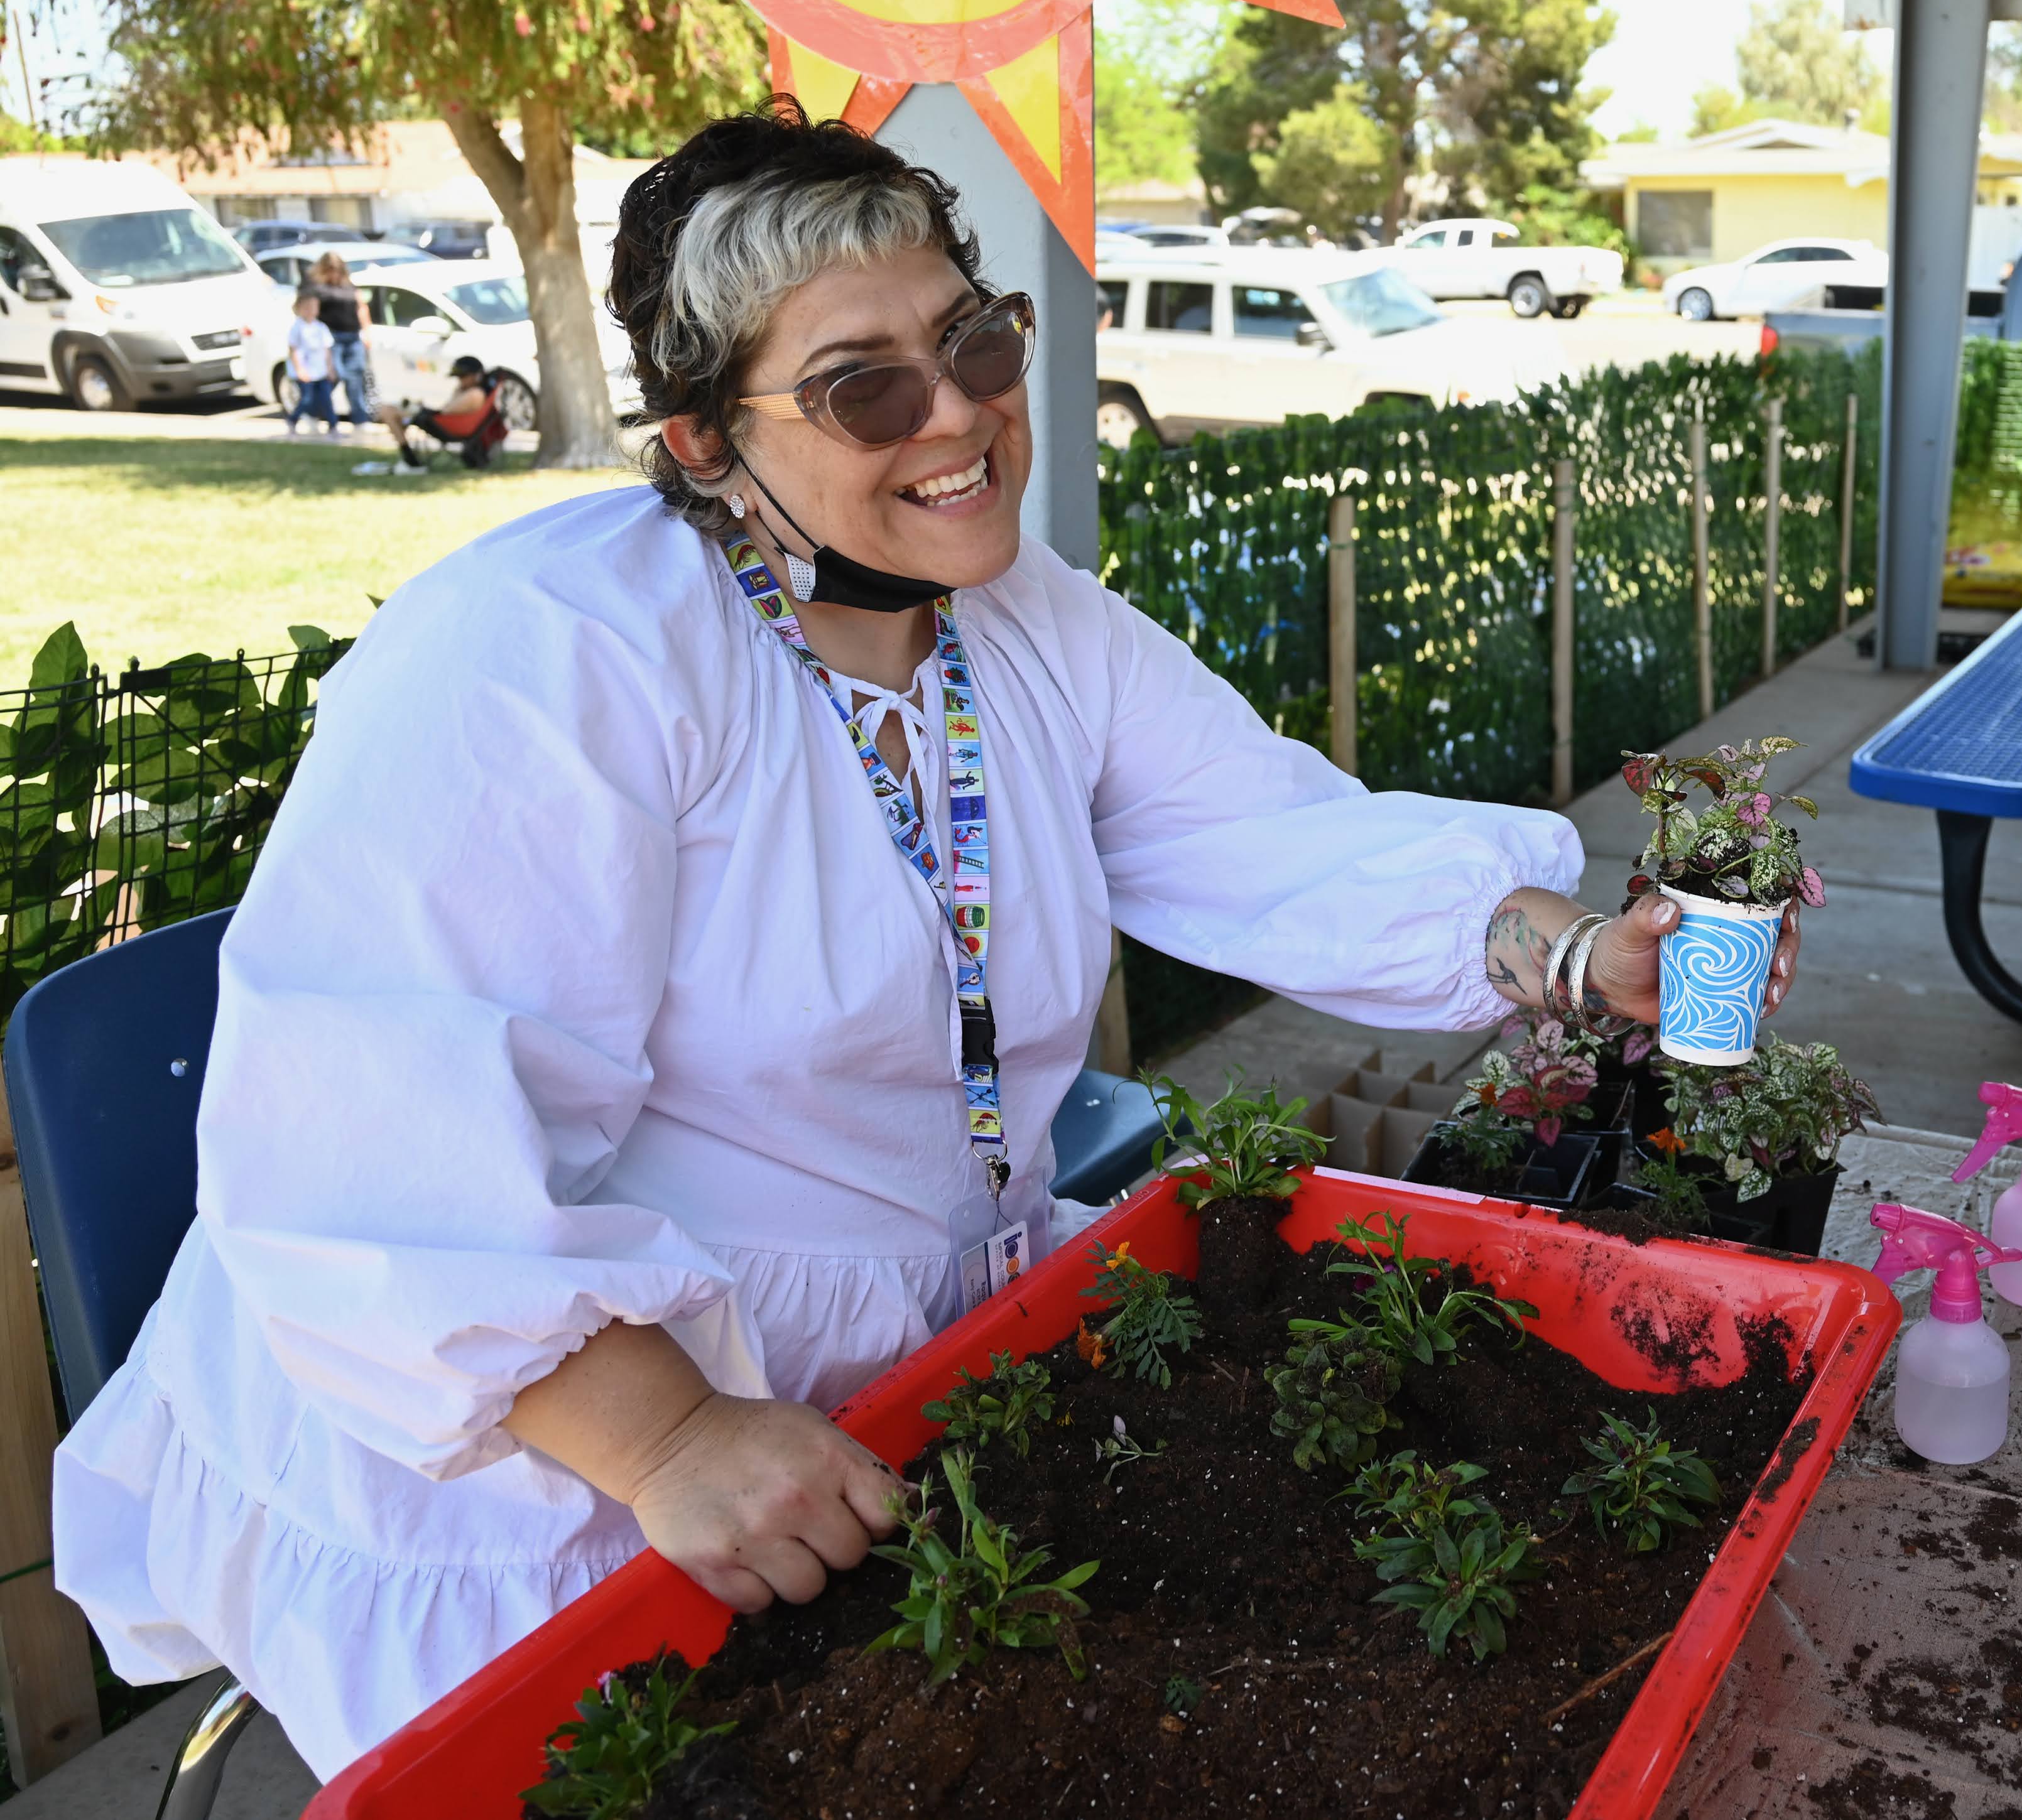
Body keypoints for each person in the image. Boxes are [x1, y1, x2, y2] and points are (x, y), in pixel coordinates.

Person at [49, 102, 1801, 1779]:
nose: (951, 414)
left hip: (891, 1369)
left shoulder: (1016, 625)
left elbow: (1265, 837)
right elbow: (367, 1129)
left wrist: (1580, 956)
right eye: (858, 384)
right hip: (544, 1445)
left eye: (972, 342)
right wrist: (668, 1434)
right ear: (705, 446)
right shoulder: (544, 656)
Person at [305, 252, 376, 432]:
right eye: (331, 271)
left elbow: (361, 307)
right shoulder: (318, 288)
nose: (335, 275)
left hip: (352, 337)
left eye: (337, 271)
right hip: (331, 339)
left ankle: (360, 420)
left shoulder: (349, 286)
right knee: (333, 377)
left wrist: (367, 331)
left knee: (355, 378)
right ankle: (312, 413)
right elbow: (310, 313)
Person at [392, 354, 499, 469]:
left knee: (391, 413)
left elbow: (446, 411)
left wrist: (458, 392)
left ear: (476, 376)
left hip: (446, 428)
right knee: (390, 411)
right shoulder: (470, 392)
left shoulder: (475, 394)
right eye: (458, 378)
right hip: (442, 425)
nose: (460, 381)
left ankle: (409, 457)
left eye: (463, 377)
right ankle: (408, 455)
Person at [280, 290, 337, 435]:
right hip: (306, 371)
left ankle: (333, 425)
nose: (312, 311)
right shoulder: (297, 328)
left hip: (321, 370)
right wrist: (299, 369)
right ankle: (293, 419)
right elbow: (293, 350)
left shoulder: (321, 328)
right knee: (307, 399)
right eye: (308, 307)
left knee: (326, 399)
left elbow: (327, 350)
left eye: (314, 307)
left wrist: (330, 369)